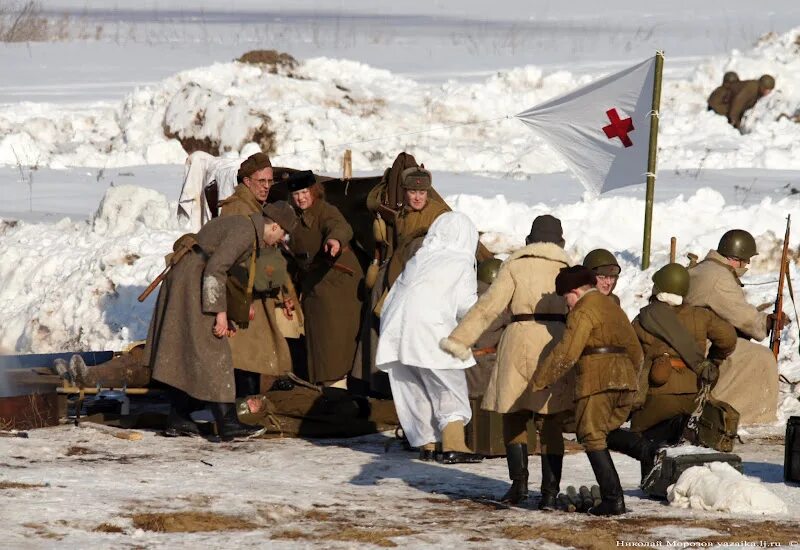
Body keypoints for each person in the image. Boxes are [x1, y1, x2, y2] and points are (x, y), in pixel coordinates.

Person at [440, 215, 573, 507]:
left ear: (529, 241)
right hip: (555, 341)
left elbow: (489, 308)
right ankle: (550, 493)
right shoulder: (569, 268)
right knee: (550, 419)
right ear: (560, 242)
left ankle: (519, 486)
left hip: (518, 340)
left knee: (514, 414)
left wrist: (460, 339)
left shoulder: (514, 265)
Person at [143, 203, 294, 440]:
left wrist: (230, 311)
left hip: (190, 279)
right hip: (193, 281)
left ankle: (178, 417)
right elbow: (215, 269)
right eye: (282, 233)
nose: (279, 240)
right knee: (216, 350)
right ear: (274, 226)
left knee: (191, 349)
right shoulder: (245, 231)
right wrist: (219, 313)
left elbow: (224, 273)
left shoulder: (246, 228)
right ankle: (228, 423)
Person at [607, 263, 737, 484]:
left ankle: (652, 484)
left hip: (657, 395)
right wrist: (712, 361)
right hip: (694, 393)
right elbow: (728, 339)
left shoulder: (643, 320)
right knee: (689, 449)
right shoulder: (701, 316)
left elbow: (631, 357)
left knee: (647, 440)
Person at [532, 265, 643, 516]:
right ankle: (647, 452)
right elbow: (636, 349)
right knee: (604, 431)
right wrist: (630, 377)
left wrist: (541, 379)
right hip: (624, 379)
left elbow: (567, 352)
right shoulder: (612, 307)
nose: (567, 305)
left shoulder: (583, 311)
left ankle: (613, 500)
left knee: (592, 436)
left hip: (597, 379)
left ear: (574, 291)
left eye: (566, 298)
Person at [377, 212, 483, 464]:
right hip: (429, 330)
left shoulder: (420, 258)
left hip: (396, 329)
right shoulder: (460, 263)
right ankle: (454, 445)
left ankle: (428, 443)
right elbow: (467, 305)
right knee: (449, 385)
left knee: (417, 387)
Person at [684, 229, 787, 424]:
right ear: (736, 259)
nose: (746, 266)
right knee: (762, 357)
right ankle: (745, 415)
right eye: (746, 261)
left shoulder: (705, 268)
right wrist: (766, 322)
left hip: (692, 337)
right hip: (702, 343)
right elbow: (741, 315)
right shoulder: (718, 276)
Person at [219, 153, 294, 396]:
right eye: (261, 181)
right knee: (244, 356)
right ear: (247, 181)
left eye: (270, 181)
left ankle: (245, 407)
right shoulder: (238, 209)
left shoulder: (254, 207)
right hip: (243, 295)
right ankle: (241, 410)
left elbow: (267, 256)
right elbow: (232, 259)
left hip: (254, 292)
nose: (266, 187)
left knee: (251, 356)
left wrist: (284, 294)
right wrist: (240, 300)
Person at [288, 170, 364, 388]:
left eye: (304, 192)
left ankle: (337, 387)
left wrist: (335, 241)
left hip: (337, 283)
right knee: (320, 341)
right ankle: (324, 386)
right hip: (315, 284)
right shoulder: (296, 216)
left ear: (314, 191)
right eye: (296, 194)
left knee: (335, 341)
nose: (301, 198)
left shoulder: (326, 211)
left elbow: (341, 227)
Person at [385, 167, 448, 288]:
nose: (418, 198)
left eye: (422, 192)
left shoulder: (439, 213)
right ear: (405, 192)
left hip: (430, 272)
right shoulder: (400, 216)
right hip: (403, 268)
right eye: (412, 192)